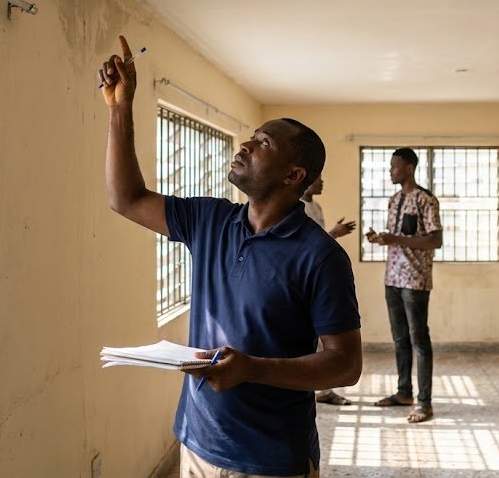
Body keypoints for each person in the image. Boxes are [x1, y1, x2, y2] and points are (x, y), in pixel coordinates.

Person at [100, 35, 362, 477]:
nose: (244, 145)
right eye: (251, 138)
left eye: (262, 143)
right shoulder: (210, 220)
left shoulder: (320, 256)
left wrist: (252, 369)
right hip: (199, 441)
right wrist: (120, 107)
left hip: (270, 458)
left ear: (293, 175)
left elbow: (345, 364)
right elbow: (125, 198)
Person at [366, 148, 442, 424]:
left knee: (419, 339)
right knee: (400, 339)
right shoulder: (394, 199)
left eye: (394, 166)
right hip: (392, 279)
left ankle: (424, 402)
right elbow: (398, 238)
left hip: (415, 279)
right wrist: (381, 239)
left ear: (409, 168)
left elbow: (434, 240)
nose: (390, 171)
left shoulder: (426, 200)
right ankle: (404, 392)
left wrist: (395, 239)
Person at [300, 176, 357, 406]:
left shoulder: (316, 207)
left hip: (319, 278)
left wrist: (333, 233)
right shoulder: (299, 208)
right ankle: (309, 388)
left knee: (326, 339)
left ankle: (324, 390)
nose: (322, 183)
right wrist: (334, 232)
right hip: (305, 280)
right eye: (317, 180)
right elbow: (307, 245)